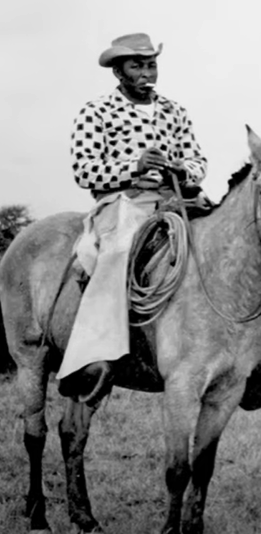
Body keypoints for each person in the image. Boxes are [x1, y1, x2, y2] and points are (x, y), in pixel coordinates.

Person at [58, 33, 208, 400]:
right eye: (137, 66)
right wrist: (133, 166)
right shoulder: (97, 111)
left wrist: (181, 168)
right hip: (124, 202)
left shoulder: (175, 110)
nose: (146, 72)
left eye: (151, 65)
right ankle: (92, 357)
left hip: (175, 199)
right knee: (118, 251)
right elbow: (84, 170)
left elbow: (198, 161)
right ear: (118, 72)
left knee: (235, 239)